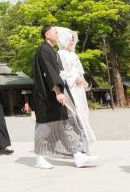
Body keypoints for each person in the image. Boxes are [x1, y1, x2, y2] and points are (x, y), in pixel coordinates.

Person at [32, 25, 98, 169]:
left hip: (61, 91)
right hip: (48, 95)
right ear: (47, 34)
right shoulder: (43, 50)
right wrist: (58, 91)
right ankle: (39, 157)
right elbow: (48, 73)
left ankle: (78, 154)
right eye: (55, 33)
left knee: (69, 120)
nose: (58, 35)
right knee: (45, 126)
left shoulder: (53, 51)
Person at [55, 28, 96, 144]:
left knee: (83, 111)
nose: (71, 42)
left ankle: (83, 140)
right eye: (69, 40)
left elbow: (80, 70)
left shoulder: (74, 55)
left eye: (72, 40)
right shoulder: (59, 54)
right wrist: (74, 79)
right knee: (74, 113)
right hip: (70, 88)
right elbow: (61, 73)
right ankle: (75, 142)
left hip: (78, 88)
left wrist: (81, 78)